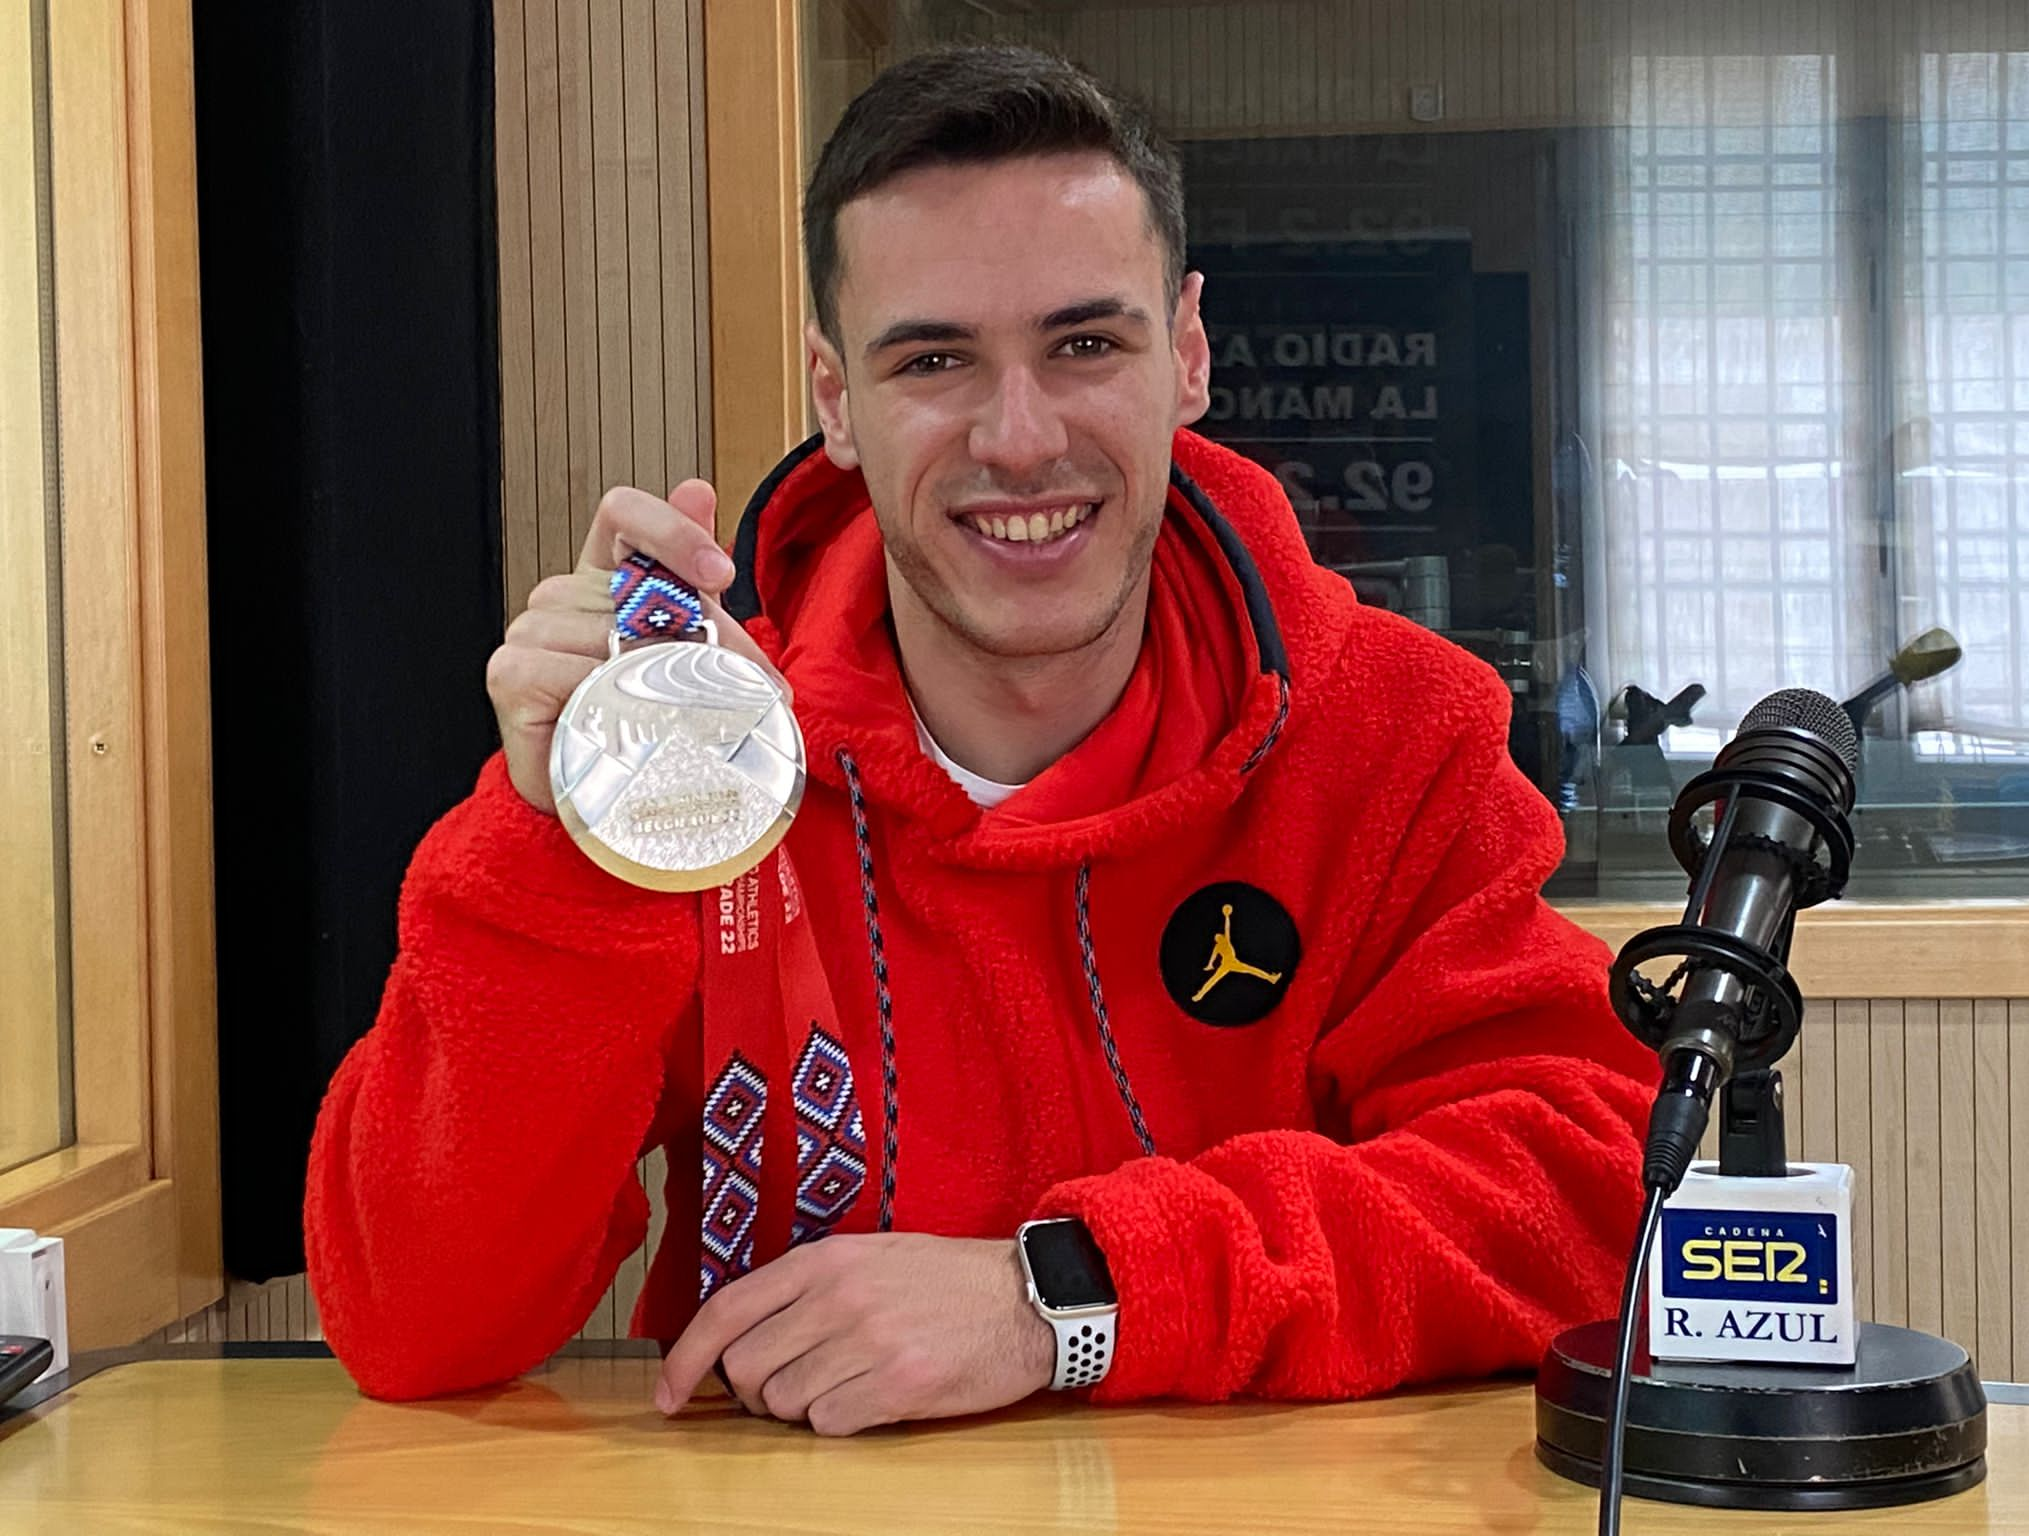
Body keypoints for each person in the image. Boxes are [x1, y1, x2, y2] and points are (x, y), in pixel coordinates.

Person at [306, 43, 1655, 1436]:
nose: (1019, 441)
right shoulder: (683, 754)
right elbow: (419, 1328)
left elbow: (1595, 1196)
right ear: (836, 397)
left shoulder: (1386, 729)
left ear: (1185, 354)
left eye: (1085, 344)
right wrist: (558, 846)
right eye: (935, 359)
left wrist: (1060, 1298)